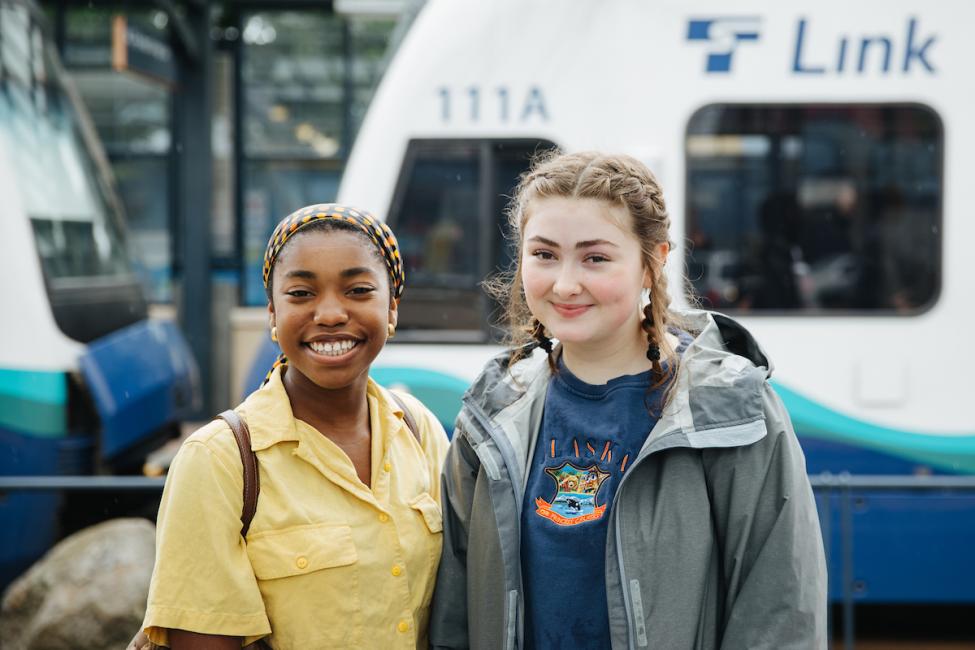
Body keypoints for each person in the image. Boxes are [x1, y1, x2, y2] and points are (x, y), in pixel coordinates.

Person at [429, 152, 827, 649]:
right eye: (544, 254)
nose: (566, 283)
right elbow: (454, 614)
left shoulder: (729, 407)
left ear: (652, 262)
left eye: (595, 258)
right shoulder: (490, 414)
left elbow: (780, 609)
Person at [136, 204, 448, 649]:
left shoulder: (420, 431)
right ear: (272, 314)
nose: (330, 313)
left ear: (392, 308)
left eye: (358, 290)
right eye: (301, 294)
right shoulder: (220, 462)